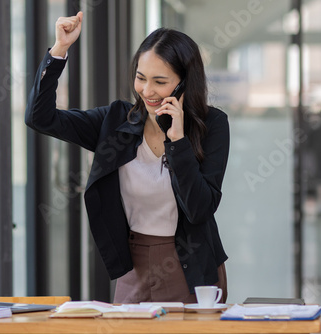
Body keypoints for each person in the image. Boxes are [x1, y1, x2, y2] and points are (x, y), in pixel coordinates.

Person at [26, 11, 229, 304]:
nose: (147, 91)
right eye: (140, 78)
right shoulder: (115, 121)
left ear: (185, 84)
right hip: (135, 265)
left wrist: (177, 141)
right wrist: (59, 51)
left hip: (192, 267)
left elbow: (199, 208)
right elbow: (39, 118)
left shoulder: (212, 126)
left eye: (160, 81)